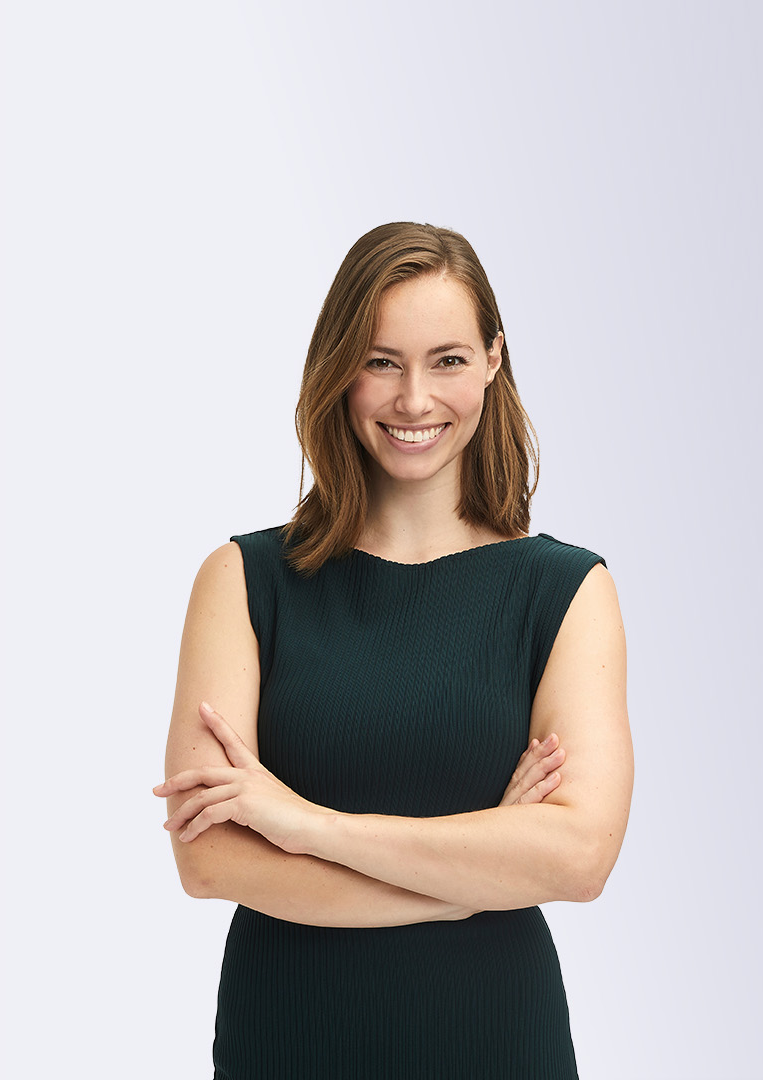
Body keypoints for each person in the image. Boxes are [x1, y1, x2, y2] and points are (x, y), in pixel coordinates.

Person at [153, 222, 632, 1078]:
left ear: (493, 359)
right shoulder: (243, 581)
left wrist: (303, 827)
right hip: (290, 1040)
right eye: (381, 361)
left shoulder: (563, 591)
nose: (414, 400)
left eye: (446, 359)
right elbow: (209, 855)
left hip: (493, 1042)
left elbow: (578, 857)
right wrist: (473, 881)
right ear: (339, 369)